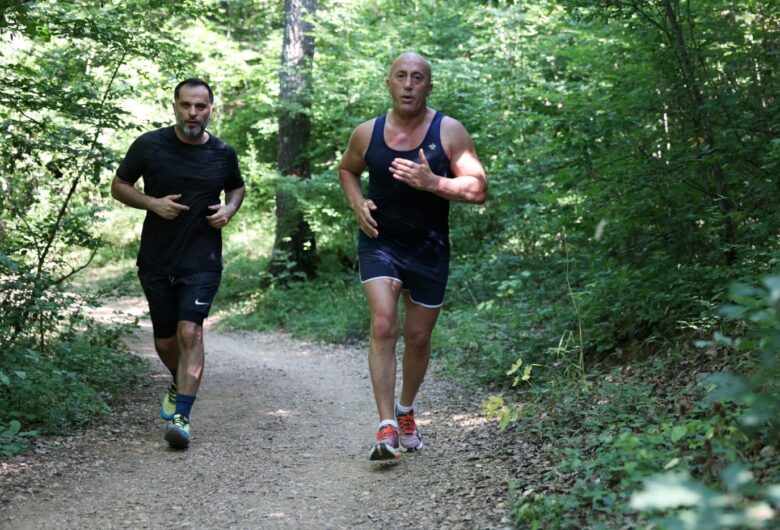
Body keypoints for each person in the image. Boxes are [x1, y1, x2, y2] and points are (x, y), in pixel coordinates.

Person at [338, 53, 487, 460]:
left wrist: (434, 182)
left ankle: (405, 410)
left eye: (417, 78)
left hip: (429, 249)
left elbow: (478, 189)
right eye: (401, 76)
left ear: (429, 86)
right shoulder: (367, 133)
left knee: (418, 337)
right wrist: (357, 203)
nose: (408, 84)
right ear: (388, 83)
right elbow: (347, 170)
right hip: (380, 241)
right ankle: (385, 424)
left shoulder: (449, 131)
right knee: (383, 322)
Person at [111, 78, 245, 449]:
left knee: (190, 332)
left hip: (202, 258)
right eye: (186, 105)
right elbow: (119, 186)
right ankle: (177, 377)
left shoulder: (222, 152)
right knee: (166, 340)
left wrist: (229, 209)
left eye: (200, 106)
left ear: (210, 109)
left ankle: (182, 418)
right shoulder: (149, 145)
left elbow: (236, 187)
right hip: (157, 257)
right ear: (175, 106)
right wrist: (152, 203)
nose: (192, 113)